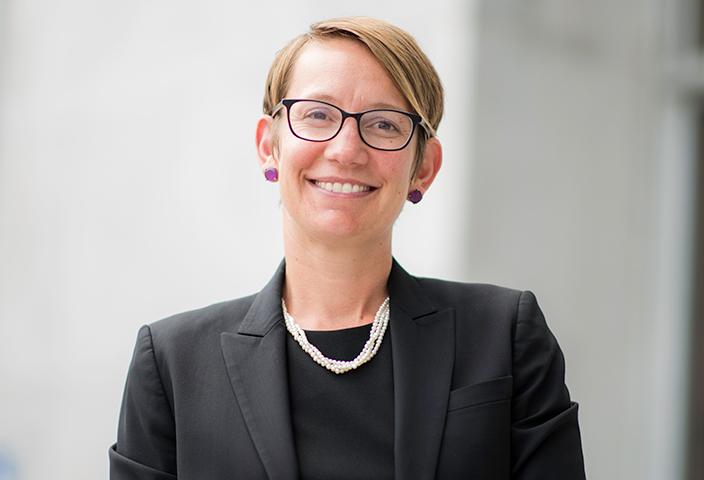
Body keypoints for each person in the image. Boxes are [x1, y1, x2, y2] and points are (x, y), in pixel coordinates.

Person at [109, 16, 586, 480]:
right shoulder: (173, 362)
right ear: (268, 147)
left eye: (383, 125)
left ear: (424, 167)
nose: (346, 149)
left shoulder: (503, 334)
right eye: (317, 115)